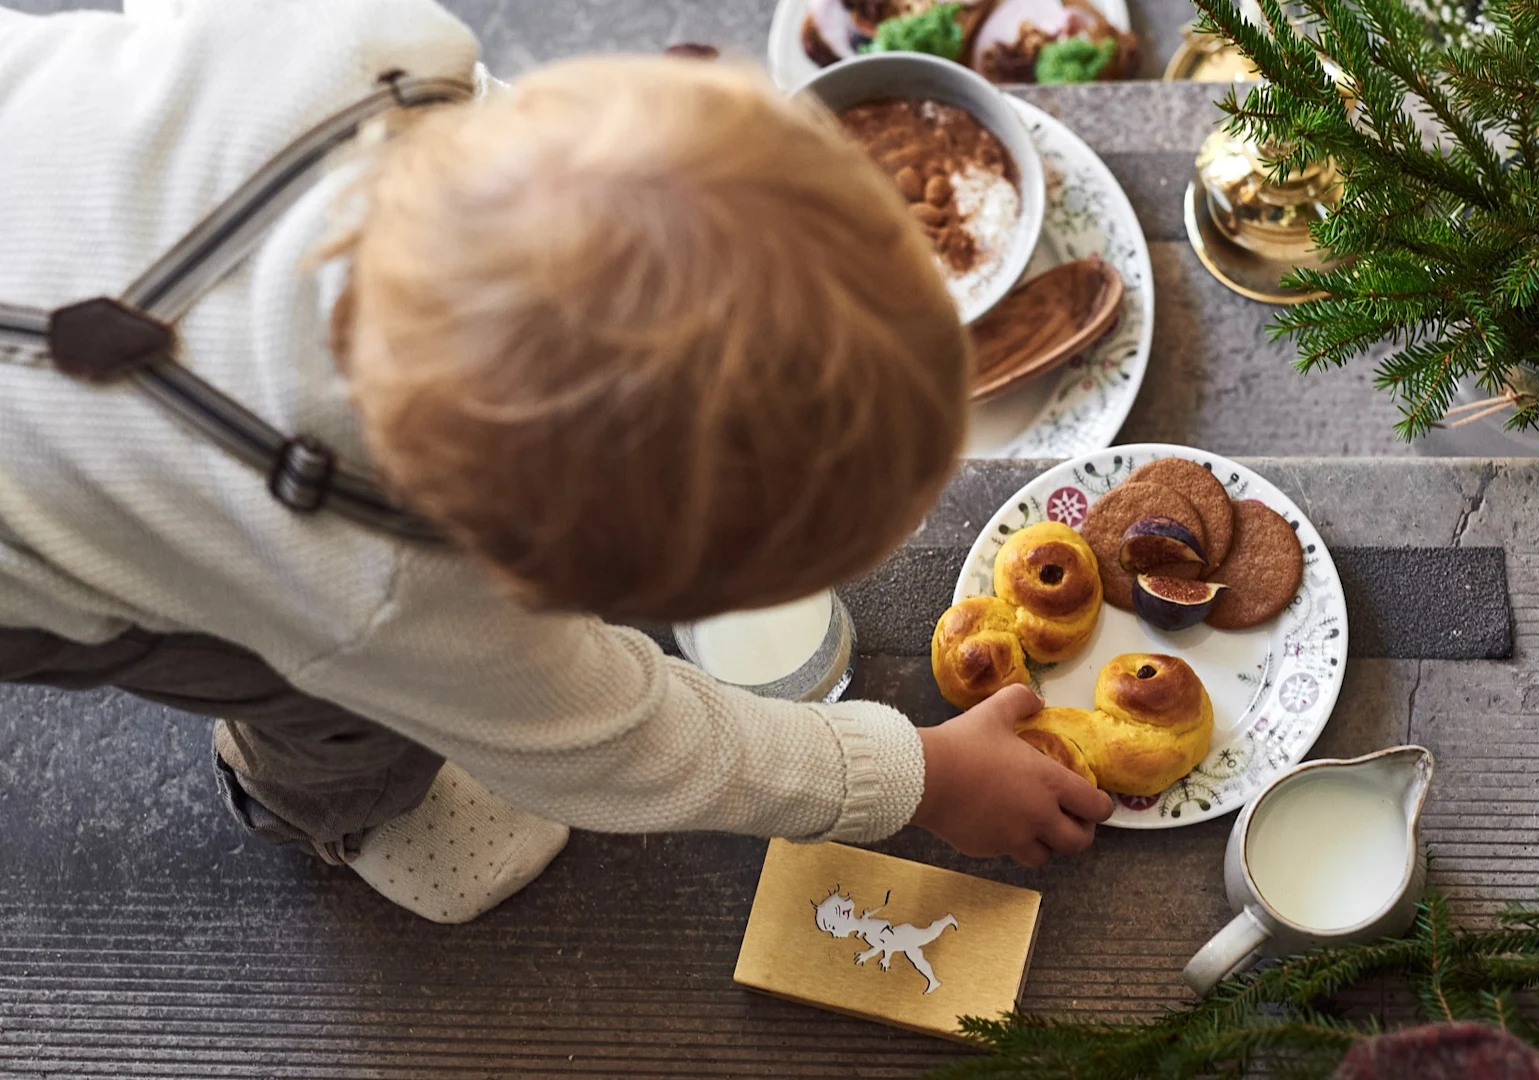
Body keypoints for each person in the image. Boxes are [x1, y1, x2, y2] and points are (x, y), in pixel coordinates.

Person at [0, 0, 1111, 924]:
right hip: (35, 562)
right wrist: (918, 776)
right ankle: (323, 804)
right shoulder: (392, 593)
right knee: (316, 685)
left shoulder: (367, 52)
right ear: (549, 589)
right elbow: (626, 747)